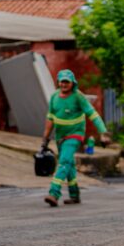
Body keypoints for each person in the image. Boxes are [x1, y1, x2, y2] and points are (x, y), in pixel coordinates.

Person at [41, 69, 109, 207]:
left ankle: (54, 193)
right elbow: (50, 119)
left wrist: (103, 132)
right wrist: (45, 139)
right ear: (58, 82)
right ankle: (74, 194)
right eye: (62, 81)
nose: (64, 84)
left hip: (75, 135)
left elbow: (93, 114)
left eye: (67, 82)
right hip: (60, 137)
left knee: (64, 161)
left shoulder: (78, 97)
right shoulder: (54, 97)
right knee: (69, 164)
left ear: (72, 83)